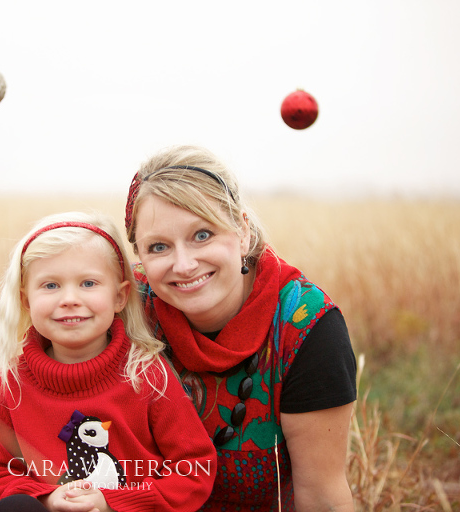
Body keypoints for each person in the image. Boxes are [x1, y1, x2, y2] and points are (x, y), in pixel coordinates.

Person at [124, 146, 357, 511]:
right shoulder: (127, 307)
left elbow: (323, 496)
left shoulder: (304, 326)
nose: (184, 265)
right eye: (158, 246)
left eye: (202, 235)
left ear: (243, 231)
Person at [0, 211, 217, 512]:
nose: (69, 299)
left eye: (88, 283)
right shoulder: (13, 383)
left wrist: (113, 502)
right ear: (26, 300)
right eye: (50, 286)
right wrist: (46, 499)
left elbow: (194, 467)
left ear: (120, 296)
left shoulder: (146, 375)